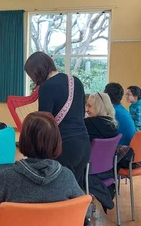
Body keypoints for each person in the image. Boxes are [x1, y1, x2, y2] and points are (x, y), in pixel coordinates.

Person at [0, 112, 88, 226]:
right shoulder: (66, 177)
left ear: (24, 140)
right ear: (56, 141)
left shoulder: (6, 178)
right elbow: (86, 211)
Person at [24, 51, 90, 187]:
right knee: (73, 192)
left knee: (54, 193)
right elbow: (82, 113)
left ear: (36, 72)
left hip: (63, 148)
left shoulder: (47, 87)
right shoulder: (76, 81)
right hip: (84, 146)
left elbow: (44, 124)